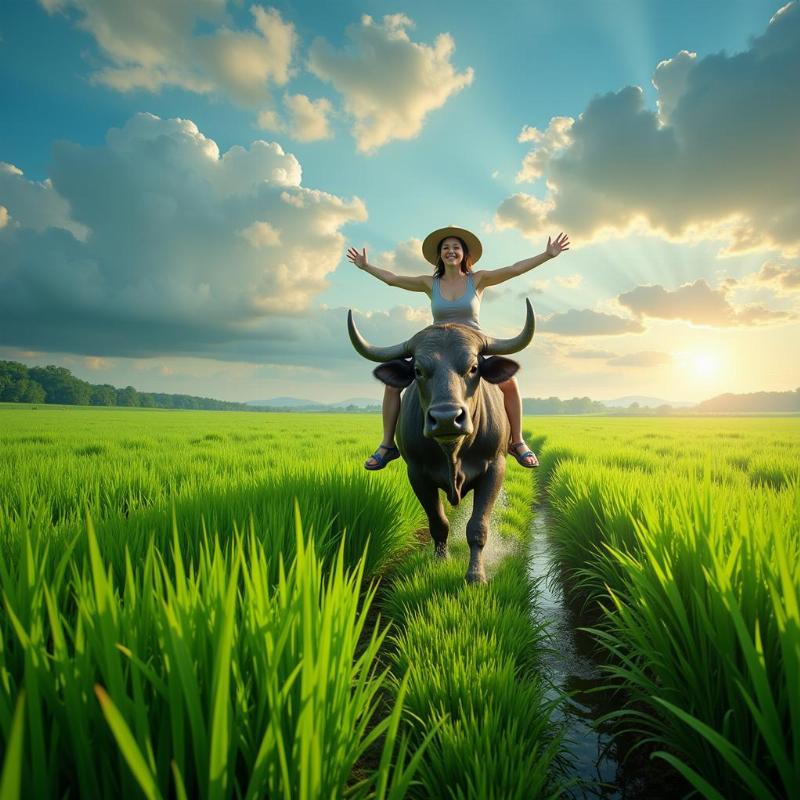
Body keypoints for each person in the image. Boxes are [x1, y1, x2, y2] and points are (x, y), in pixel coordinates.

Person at [347, 226, 570, 470]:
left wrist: (547, 255)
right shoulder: (428, 283)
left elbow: (514, 269)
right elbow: (393, 280)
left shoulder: (478, 279)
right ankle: (387, 445)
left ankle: (516, 441)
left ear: (464, 254)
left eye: (456, 247)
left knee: (510, 383)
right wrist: (366, 266)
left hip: (470, 344)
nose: (450, 251)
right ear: (439, 255)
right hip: (436, 346)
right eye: (445, 248)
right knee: (392, 385)